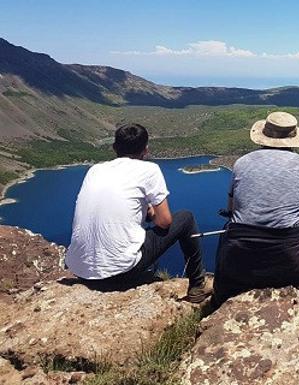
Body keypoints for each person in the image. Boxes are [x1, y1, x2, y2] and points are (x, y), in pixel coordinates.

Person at [65, 124, 209, 302]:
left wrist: (146, 211)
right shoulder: (150, 170)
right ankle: (197, 287)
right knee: (186, 218)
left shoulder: (94, 170)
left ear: (114, 147)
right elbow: (165, 221)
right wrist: (152, 213)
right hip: (120, 273)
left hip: (81, 271)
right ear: (146, 150)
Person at [213, 111, 299, 306]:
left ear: (262, 137)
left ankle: (221, 290)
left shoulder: (241, 163)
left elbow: (232, 211)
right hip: (291, 259)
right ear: (293, 139)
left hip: (240, 258)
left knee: (227, 229)